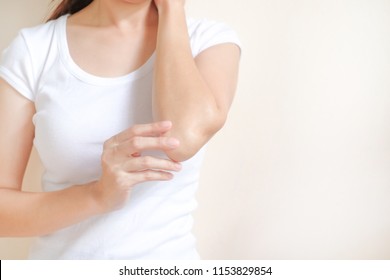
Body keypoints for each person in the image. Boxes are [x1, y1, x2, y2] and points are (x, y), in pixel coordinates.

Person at [0, 0, 241, 259]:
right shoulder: (34, 50)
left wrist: (172, 9)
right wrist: (97, 196)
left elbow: (181, 140)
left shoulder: (208, 41)